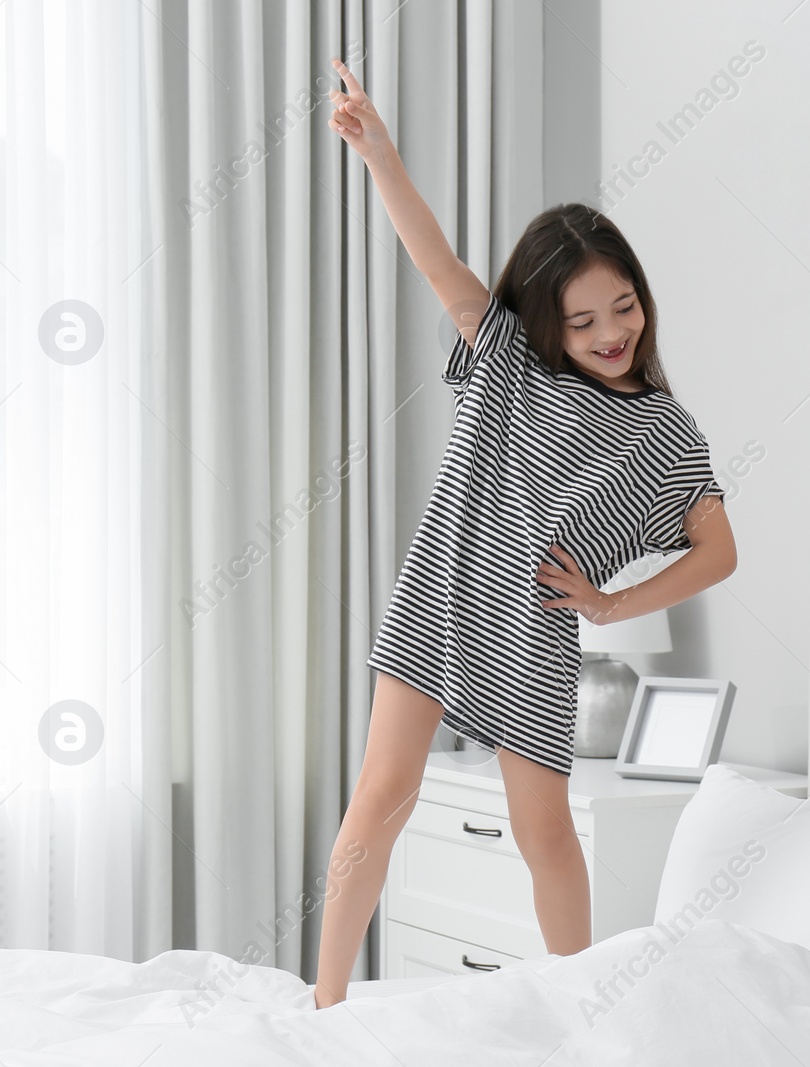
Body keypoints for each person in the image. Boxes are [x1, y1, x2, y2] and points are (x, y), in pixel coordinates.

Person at [312, 58, 737, 1009]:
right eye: (582, 317)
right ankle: (324, 1006)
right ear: (545, 318)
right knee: (380, 798)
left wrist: (612, 601)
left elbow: (720, 550)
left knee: (543, 832)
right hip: (440, 588)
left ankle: (579, 1005)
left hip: (533, 626)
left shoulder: (666, 429)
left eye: (623, 306)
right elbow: (435, 259)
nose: (610, 330)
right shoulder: (504, 354)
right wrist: (381, 155)